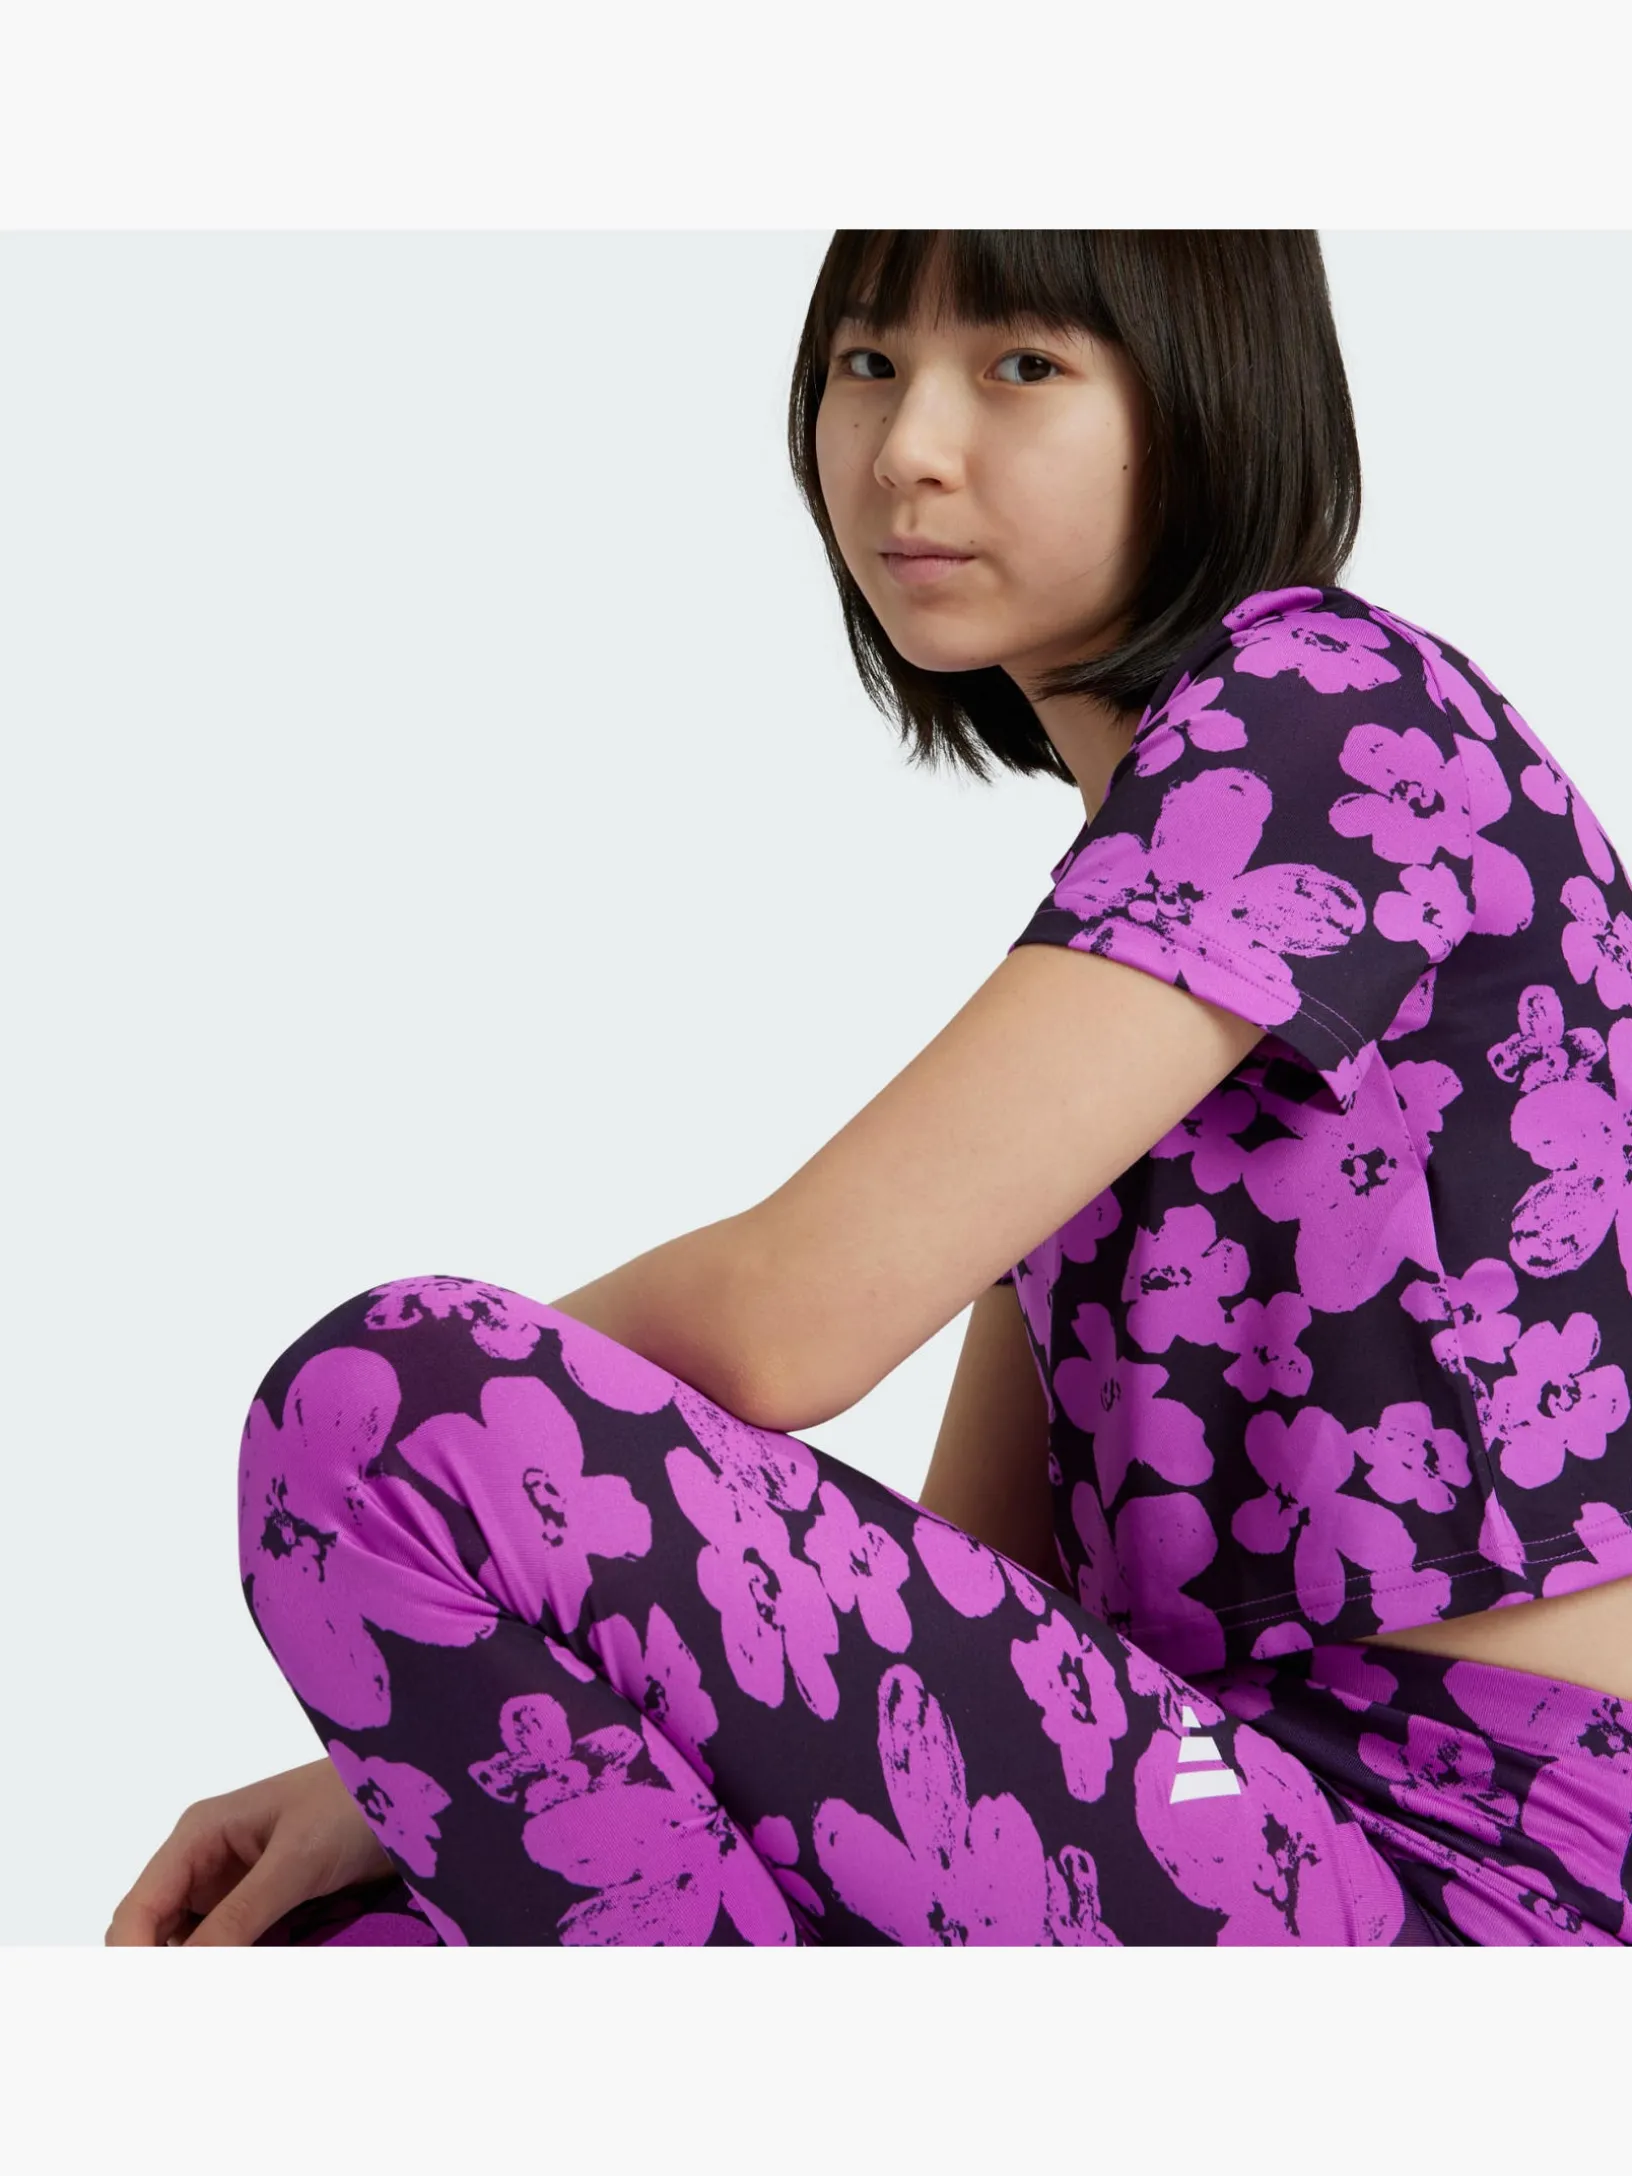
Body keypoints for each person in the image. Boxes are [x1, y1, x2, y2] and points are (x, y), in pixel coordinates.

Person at [107, 230, 1632, 1948]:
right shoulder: (1138, 923)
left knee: (395, 1406)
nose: (907, 447)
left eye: (1022, 365)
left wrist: (425, 1537)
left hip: (1482, 1869)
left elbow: (790, 1325)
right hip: (1223, 1815)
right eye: (865, 363)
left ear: (1212, 399)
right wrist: (409, 1751)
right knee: (342, 1947)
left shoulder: (1334, 716)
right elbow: (980, 1594)